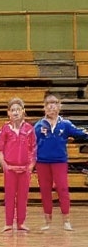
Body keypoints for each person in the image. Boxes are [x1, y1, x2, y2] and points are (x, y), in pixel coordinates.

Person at [33, 92, 88, 231]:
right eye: (48, 103)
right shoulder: (38, 126)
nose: (51, 106)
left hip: (59, 162)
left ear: (59, 106)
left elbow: (81, 134)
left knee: (63, 189)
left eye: (54, 103)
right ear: (44, 107)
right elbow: (29, 143)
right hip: (42, 162)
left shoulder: (66, 124)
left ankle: (66, 221)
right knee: (45, 190)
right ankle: (47, 221)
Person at [0, 97, 36, 233]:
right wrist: (5, 166)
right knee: (9, 196)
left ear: (23, 111)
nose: (15, 112)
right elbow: (0, 150)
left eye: (18, 109)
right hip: (10, 168)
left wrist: (31, 166)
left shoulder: (29, 129)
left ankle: (21, 223)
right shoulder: (5, 129)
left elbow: (34, 149)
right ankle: (8, 223)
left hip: (25, 169)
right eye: (12, 110)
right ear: (8, 112)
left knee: (23, 197)